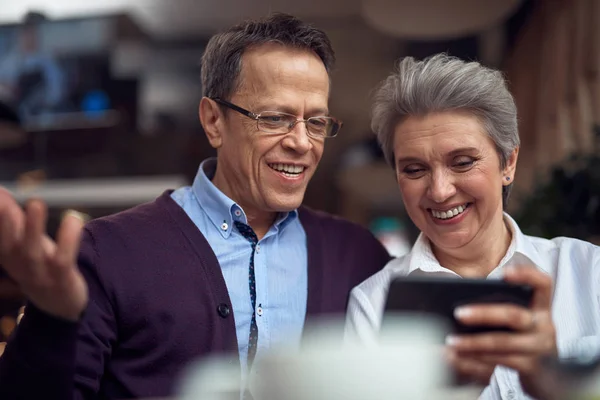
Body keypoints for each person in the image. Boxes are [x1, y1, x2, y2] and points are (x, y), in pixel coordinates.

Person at [0, 13, 390, 399]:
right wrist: (52, 322)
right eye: (275, 118)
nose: (303, 142)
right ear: (214, 121)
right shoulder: (108, 252)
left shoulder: (358, 257)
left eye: (317, 122)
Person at [345, 54, 600, 400]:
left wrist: (558, 385)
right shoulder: (372, 304)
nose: (439, 190)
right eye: (415, 170)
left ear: (508, 162)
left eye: (463, 163)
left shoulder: (588, 271)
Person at [0, 12, 65, 120]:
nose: (30, 36)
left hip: (45, 118)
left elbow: (56, 93)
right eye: (26, 31)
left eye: (34, 32)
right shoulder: (9, 60)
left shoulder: (49, 61)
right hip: (14, 119)